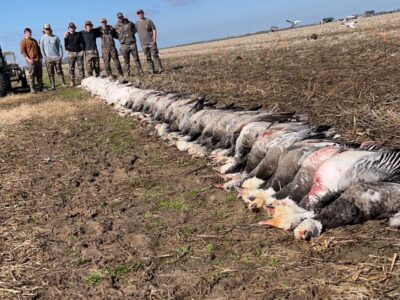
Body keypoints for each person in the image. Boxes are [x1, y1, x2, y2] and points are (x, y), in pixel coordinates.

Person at [115, 12, 143, 77]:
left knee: (136, 59)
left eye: (121, 16)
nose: (120, 18)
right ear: (117, 18)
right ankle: (127, 74)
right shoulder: (116, 26)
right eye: (119, 17)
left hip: (132, 43)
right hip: (124, 45)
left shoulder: (130, 23)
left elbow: (135, 28)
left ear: (123, 16)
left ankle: (140, 72)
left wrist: (132, 34)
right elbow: (115, 35)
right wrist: (120, 38)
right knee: (126, 61)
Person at [135, 9, 164, 74]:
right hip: (143, 44)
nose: (140, 14)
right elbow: (133, 31)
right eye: (138, 14)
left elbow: (154, 30)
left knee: (155, 56)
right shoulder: (136, 23)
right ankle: (151, 71)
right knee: (148, 58)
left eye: (141, 13)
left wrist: (154, 40)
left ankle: (160, 69)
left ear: (143, 13)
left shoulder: (149, 21)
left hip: (151, 42)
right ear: (137, 15)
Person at [40, 24, 65, 90]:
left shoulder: (55, 37)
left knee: (60, 71)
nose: (47, 30)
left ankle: (63, 83)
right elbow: (41, 49)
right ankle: (53, 85)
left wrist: (61, 55)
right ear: (44, 30)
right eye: (46, 29)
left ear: (50, 29)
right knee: (50, 73)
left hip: (56, 57)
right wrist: (45, 57)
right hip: (48, 58)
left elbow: (60, 46)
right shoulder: (42, 38)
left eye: (48, 28)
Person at [20, 28, 45, 93]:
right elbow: (23, 52)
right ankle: (32, 88)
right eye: (28, 32)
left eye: (30, 32)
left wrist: (40, 57)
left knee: (39, 75)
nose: (29, 33)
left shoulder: (34, 40)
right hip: (31, 61)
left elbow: (38, 49)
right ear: (25, 33)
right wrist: (28, 59)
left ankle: (41, 88)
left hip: (38, 60)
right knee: (32, 75)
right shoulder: (23, 41)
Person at [64, 22, 85, 86]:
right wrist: (67, 50)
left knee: (81, 68)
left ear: (75, 28)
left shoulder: (79, 34)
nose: (72, 28)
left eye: (73, 27)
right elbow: (65, 44)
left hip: (79, 53)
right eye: (71, 27)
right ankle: (72, 81)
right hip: (71, 53)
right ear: (69, 28)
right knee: (71, 68)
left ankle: (83, 81)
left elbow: (82, 42)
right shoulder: (67, 35)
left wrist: (82, 50)